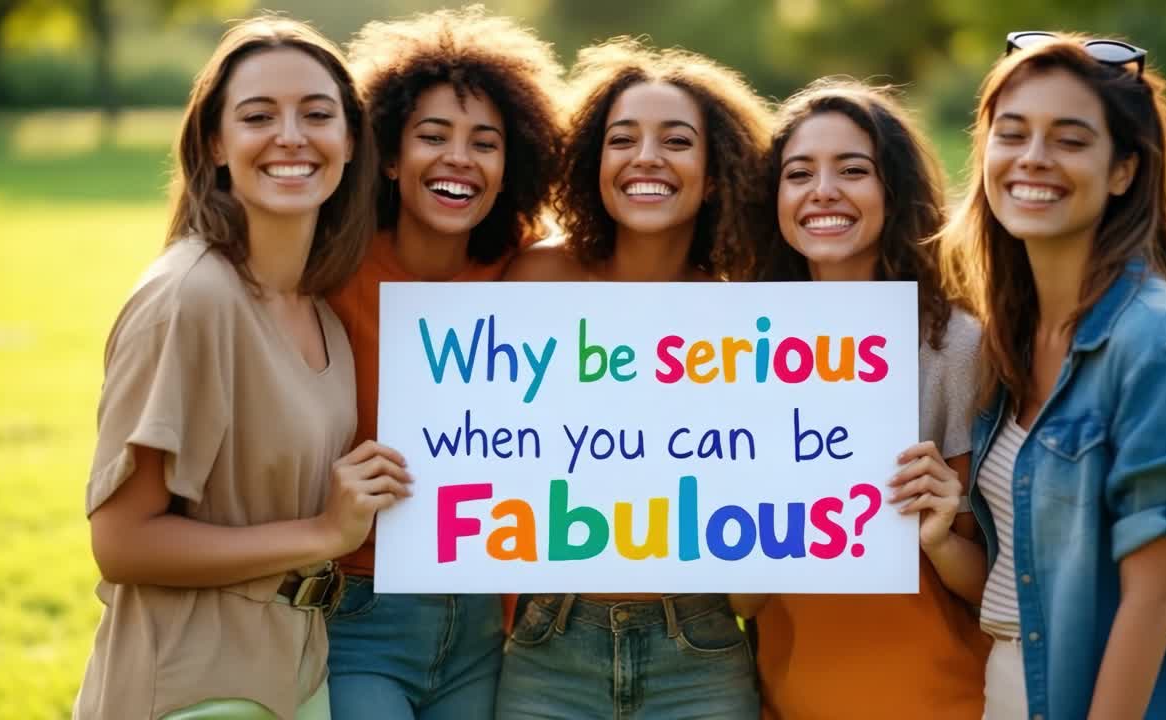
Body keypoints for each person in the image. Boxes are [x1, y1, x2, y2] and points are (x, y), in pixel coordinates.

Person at [74, 15, 413, 720]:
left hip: (293, 679)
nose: (291, 136)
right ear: (215, 143)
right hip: (192, 690)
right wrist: (323, 533)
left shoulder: (319, 309)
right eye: (259, 116)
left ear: (350, 142)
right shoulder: (188, 299)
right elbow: (122, 542)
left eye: (316, 114)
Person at [941, 31, 1166, 720]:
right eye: (1012, 133)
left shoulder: (1154, 343)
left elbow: (1152, 600)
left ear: (1123, 171)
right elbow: (1019, 581)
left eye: (1070, 139)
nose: (1032, 159)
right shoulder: (1007, 336)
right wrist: (938, 531)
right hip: (1012, 687)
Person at [495, 37, 772, 719]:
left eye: (676, 141)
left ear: (714, 175)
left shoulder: (748, 319)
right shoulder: (535, 278)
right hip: (549, 641)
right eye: (623, 139)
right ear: (595, 164)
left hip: (700, 645)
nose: (646, 157)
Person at [325, 8, 564, 719]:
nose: (459, 156)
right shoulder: (331, 269)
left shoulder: (527, 268)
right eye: (433, 136)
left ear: (507, 169)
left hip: (489, 619)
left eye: (485, 143)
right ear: (389, 156)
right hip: (359, 608)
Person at [730, 78, 991, 720]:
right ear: (775, 198)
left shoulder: (954, 346)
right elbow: (742, 600)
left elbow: (997, 587)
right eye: (799, 174)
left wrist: (937, 531)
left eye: (853, 170)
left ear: (893, 193)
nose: (823, 191)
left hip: (936, 699)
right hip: (790, 696)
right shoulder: (736, 351)